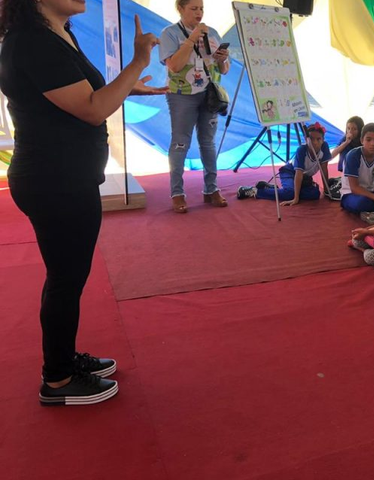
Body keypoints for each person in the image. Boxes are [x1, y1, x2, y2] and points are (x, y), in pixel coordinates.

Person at [0, 0, 164, 404]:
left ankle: (64, 358)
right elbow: (93, 109)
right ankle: (57, 379)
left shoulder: (55, 33)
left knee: (67, 276)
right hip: (54, 179)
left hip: (63, 176)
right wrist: (138, 61)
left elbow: (84, 95)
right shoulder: (33, 41)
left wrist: (126, 86)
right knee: (65, 279)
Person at [160, 0, 230, 213]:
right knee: (180, 143)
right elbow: (174, 65)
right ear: (180, 9)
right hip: (181, 96)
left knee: (208, 142)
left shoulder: (212, 33)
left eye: (201, 9)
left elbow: (224, 69)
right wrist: (192, 39)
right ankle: (177, 193)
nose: (199, 13)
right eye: (193, 9)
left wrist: (222, 59)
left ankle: (211, 189)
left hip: (209, 95)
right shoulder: (170, 33)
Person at [249, 122, 331, 205]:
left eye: (318, 139)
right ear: (306, 139)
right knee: (290, 193)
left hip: (304, 177)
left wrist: (326, 190)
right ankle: (256, 191)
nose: (315, 142)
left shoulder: (324, 147)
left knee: (315, 194)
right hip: (290, 172)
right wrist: (296, 198)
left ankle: (277, 190)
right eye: (311, 139)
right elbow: (298, 174)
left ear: (323, 140)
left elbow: (324, 169)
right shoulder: (302, 150)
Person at [339, 123, 374, 219]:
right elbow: (354, 188)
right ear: (362, 140)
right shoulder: (353, 156)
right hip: (352, 194)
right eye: (368, 140)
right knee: (361, 203)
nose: (373, 144)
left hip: (372, 190)